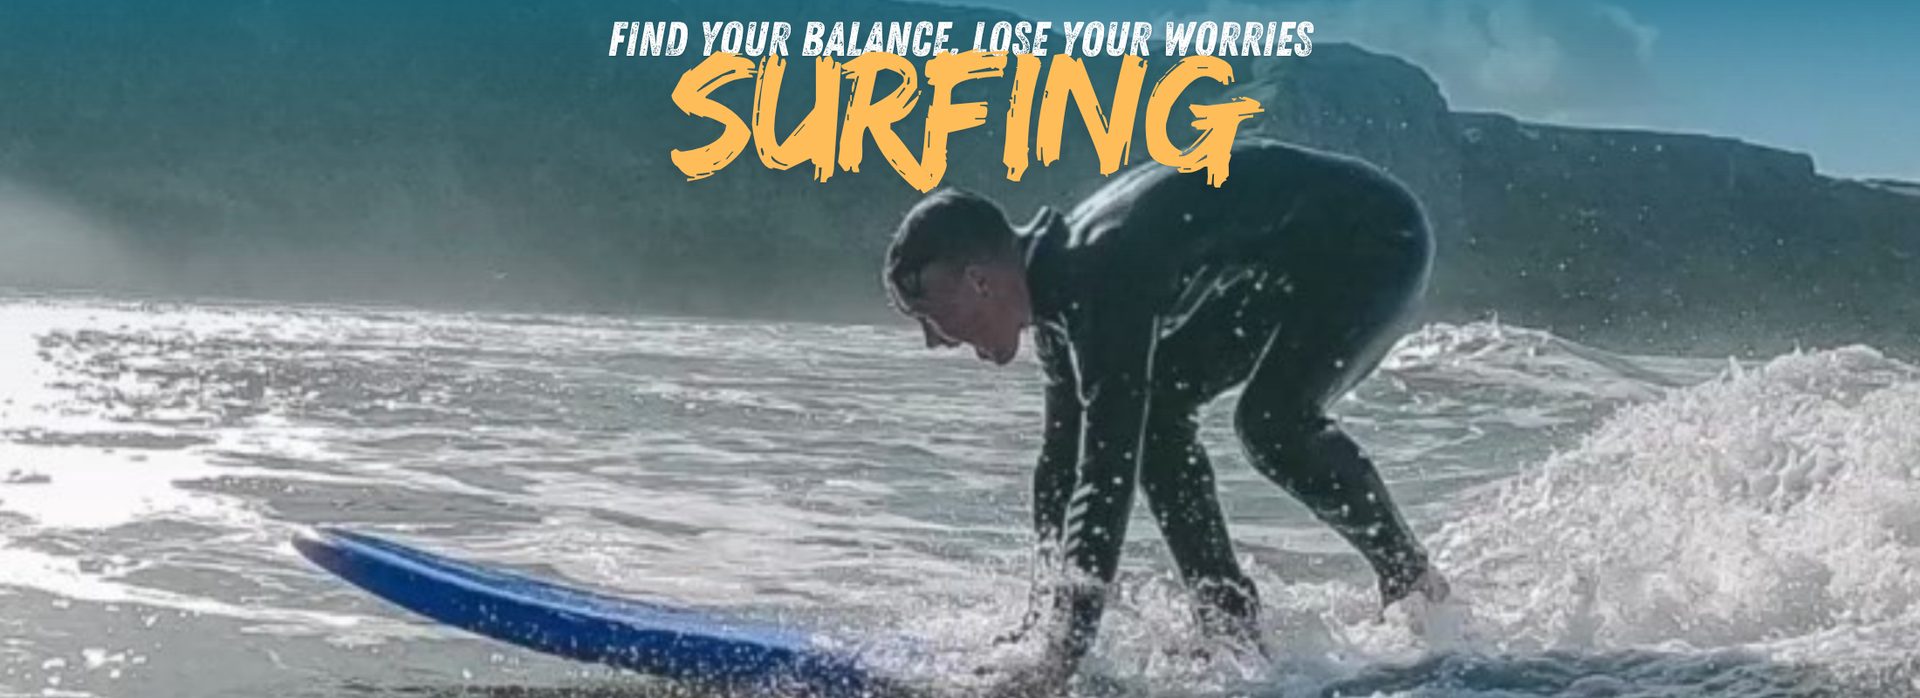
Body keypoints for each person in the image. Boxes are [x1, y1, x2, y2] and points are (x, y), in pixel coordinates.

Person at [882, 139, 1450, 693]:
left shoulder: (1100, 270)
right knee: (1159, 418)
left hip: (1374, 237)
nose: (934, 341)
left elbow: (1107, 471)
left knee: (1272, 424)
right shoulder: (1060, 293)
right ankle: (1230, 623)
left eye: (928, 315)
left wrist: (1060, 656)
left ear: (979, 281)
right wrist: (1039, 623)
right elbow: (1061, 465)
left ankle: (1412, 583)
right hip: (1282, 263)